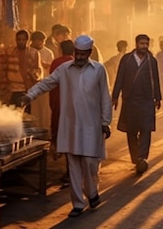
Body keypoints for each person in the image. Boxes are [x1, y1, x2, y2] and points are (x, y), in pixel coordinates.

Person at [21, 35, 112, 218]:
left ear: (89, 53)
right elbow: (46, 83)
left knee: (90, 163)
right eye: (77, 53)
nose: (79, 57)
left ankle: (92, 192)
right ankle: (78, 204)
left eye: (83, 54)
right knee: (73, 164)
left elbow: (105, 96)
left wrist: (105, 122)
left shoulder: (99, 70)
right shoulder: (64, 69)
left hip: (92, 125)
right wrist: (29, 95)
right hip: (70, 125)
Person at [112, 34, 162, 174]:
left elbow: (156, 80)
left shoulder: (151, 61)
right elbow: (119, 78)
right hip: (130, 100)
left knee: (146, 129)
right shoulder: (127, 60)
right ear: (136, 44)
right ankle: (136, 157)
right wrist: (115, 96)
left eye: (146, 44)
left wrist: (158, 98)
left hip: (147, 100)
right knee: (131, 130)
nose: (144, 46)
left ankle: (142, 157)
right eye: (142, 44)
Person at [49, 40, 74, 183]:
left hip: (59, 103)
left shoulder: (56, 63)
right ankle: (72, 170)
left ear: (60, 49)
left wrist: (52, 104)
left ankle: (70, 172)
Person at [6, 30, 42, 113]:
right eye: (19, 40)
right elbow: (5, 68)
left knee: (24, 116)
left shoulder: (34, 53)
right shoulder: (10, 52)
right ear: (16, 40)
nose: (21, 42)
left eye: (23, 40)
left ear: (28, 41)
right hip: (12, 90)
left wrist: (31, 73)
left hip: (26, 90)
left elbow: (39, 71)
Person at [29, 31, 54, 130]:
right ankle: (35, 130)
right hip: (32, 84)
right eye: (37, 41)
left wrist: (42, 63)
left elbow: (50, 67)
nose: (40, 43)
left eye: (42, 41)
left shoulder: (48, 52)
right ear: (33, 41)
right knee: (34, 109)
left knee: (44, 109)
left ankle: (45, 130)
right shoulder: (29, 51)